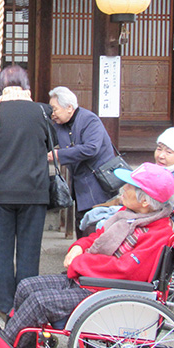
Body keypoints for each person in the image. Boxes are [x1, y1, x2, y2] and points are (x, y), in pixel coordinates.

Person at [0, 162, 174, 348]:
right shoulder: (132, 218)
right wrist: (78, 247)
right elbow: (96, 239)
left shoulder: (157, 233)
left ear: (145, 201)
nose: (123, 189)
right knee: (26, 286)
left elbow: (126, 270)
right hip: (93, 281)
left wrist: (80, 263)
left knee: (39, 302)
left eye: (129, 186)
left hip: (106, 291)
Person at [0, 65, 52, 319]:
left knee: (1, 249)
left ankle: (5, 304)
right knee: (29, 251)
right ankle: (26, 305)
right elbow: (50, 143)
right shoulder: (42, 111)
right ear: (26, 85)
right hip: (33, 190)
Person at [82, 126, 174, 234]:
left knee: (96, 226)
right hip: (153, 220)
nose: (161, 155)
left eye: (169, 152)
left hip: (161, 228)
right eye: (159, 148)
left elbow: (150, 208)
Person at [47, 86, 116, 236]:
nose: (53, 114)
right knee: (81, 225)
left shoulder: (89, 120)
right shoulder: (59, 125)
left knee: (94, 228)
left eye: (55, 109)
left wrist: (60, 155)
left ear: (69, 108)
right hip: (80, 184)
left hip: (97, 183)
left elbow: (91, 148)